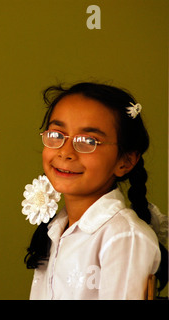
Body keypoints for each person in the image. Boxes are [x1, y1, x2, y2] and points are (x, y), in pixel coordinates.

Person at [22, 82, 168, 299]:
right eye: (57, 134)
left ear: (125, 161)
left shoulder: (124, 237)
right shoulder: (57, 228)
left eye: (89, 141)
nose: (66, 152)